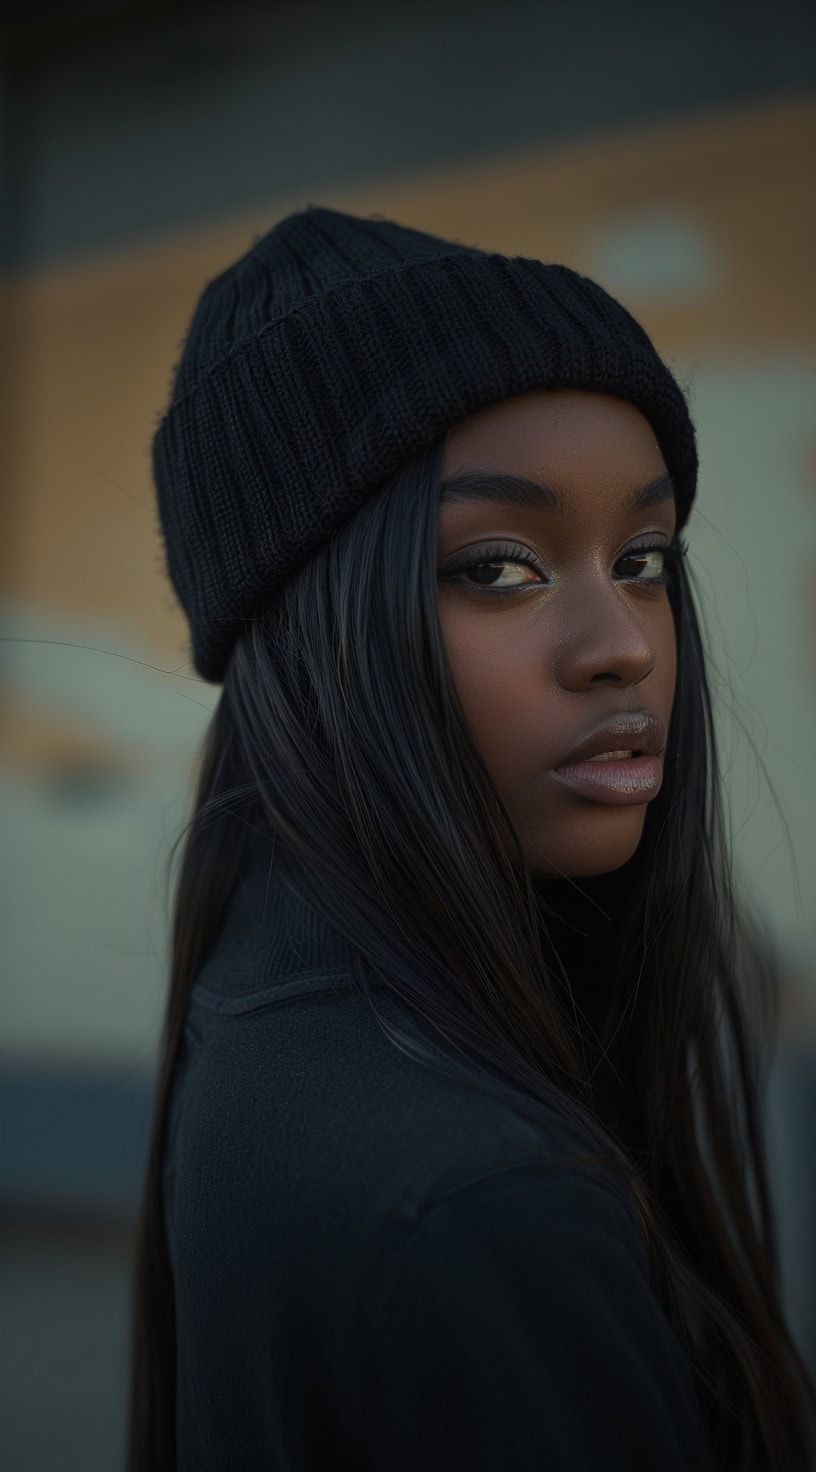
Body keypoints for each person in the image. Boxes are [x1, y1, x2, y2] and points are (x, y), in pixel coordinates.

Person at [126, 206, 816, 1471]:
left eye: (645, 554)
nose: (626, 642)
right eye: (498, 566)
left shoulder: (265, 1002)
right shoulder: (481, 1205)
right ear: (312, 635)